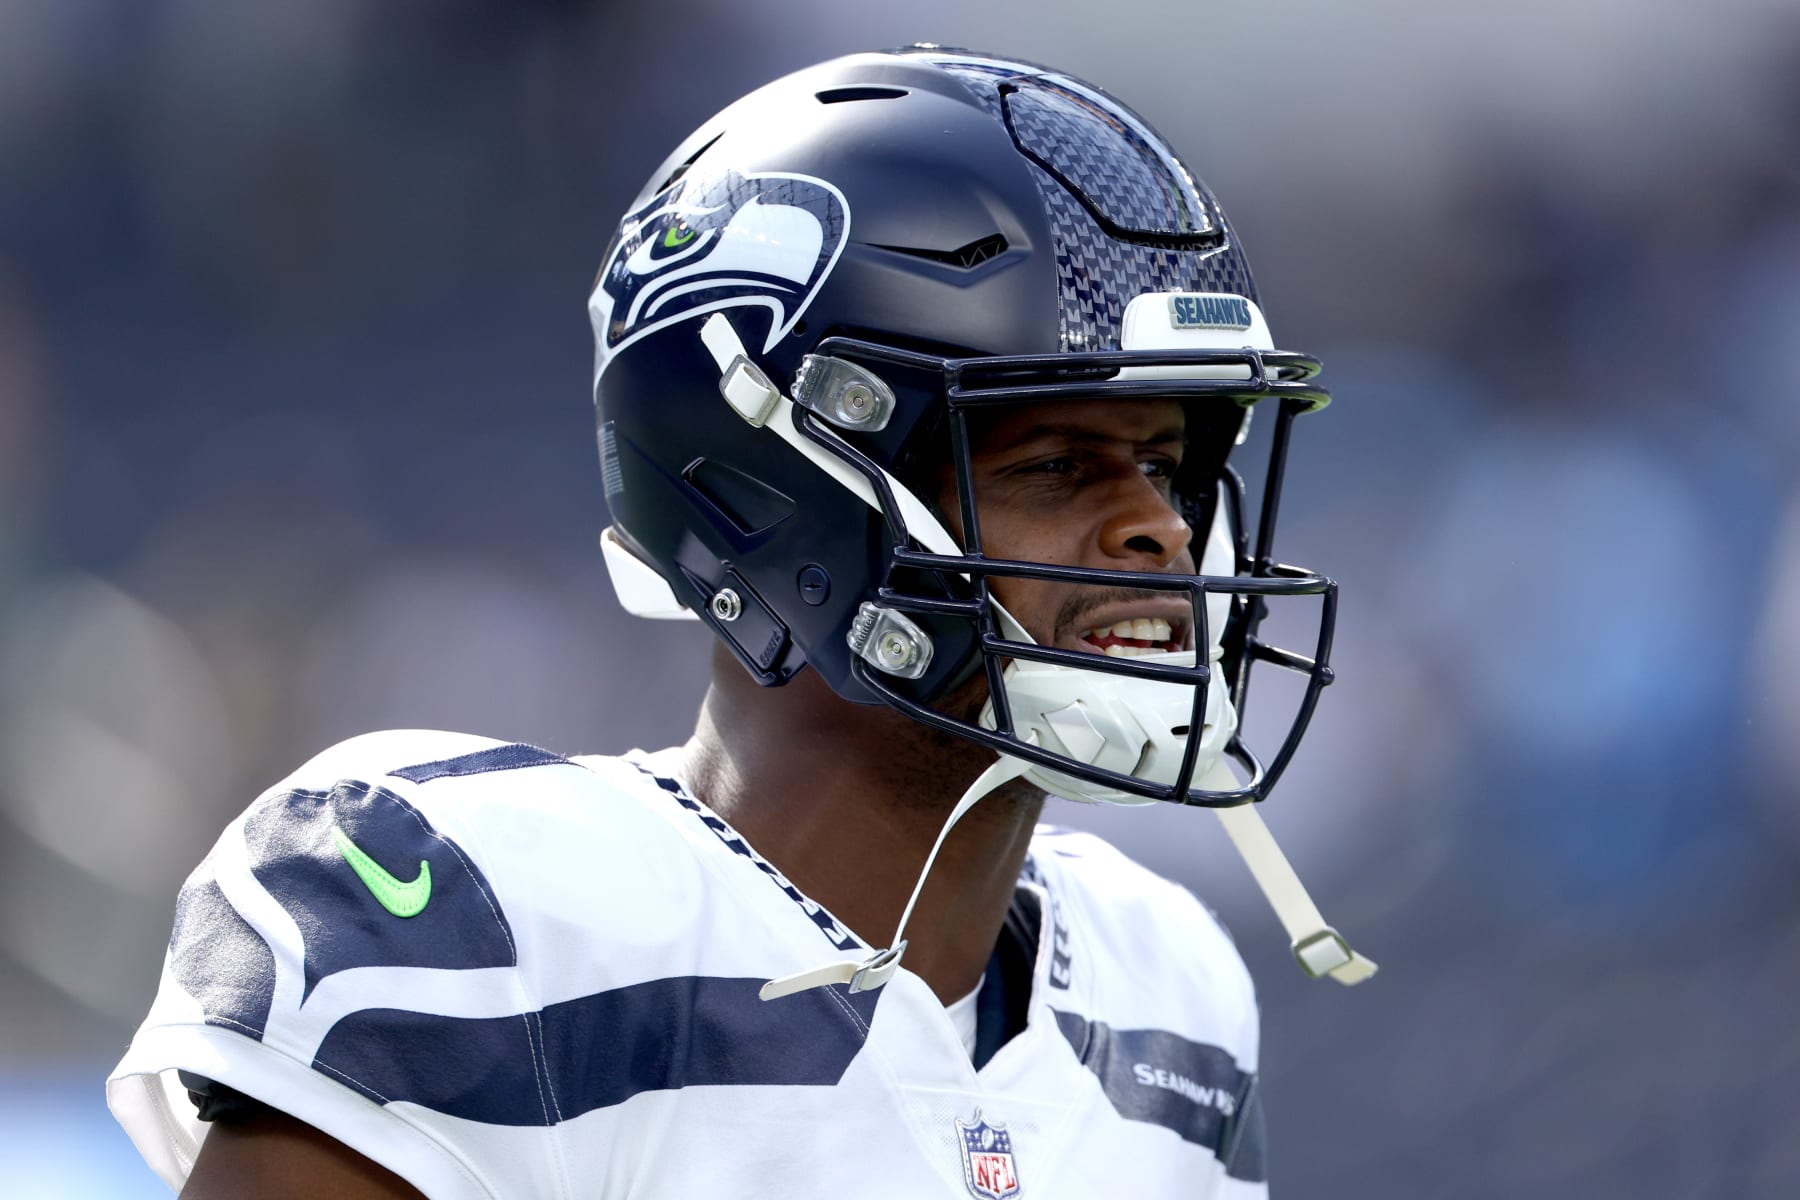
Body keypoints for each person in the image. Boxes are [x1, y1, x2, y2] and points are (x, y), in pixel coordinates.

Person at [107, 46, 1374, 1199]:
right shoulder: (478, 924)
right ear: (779, 496)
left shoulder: (1172, 993)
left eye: (1170, 466)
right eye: (1055, 465)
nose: (1158, 529)